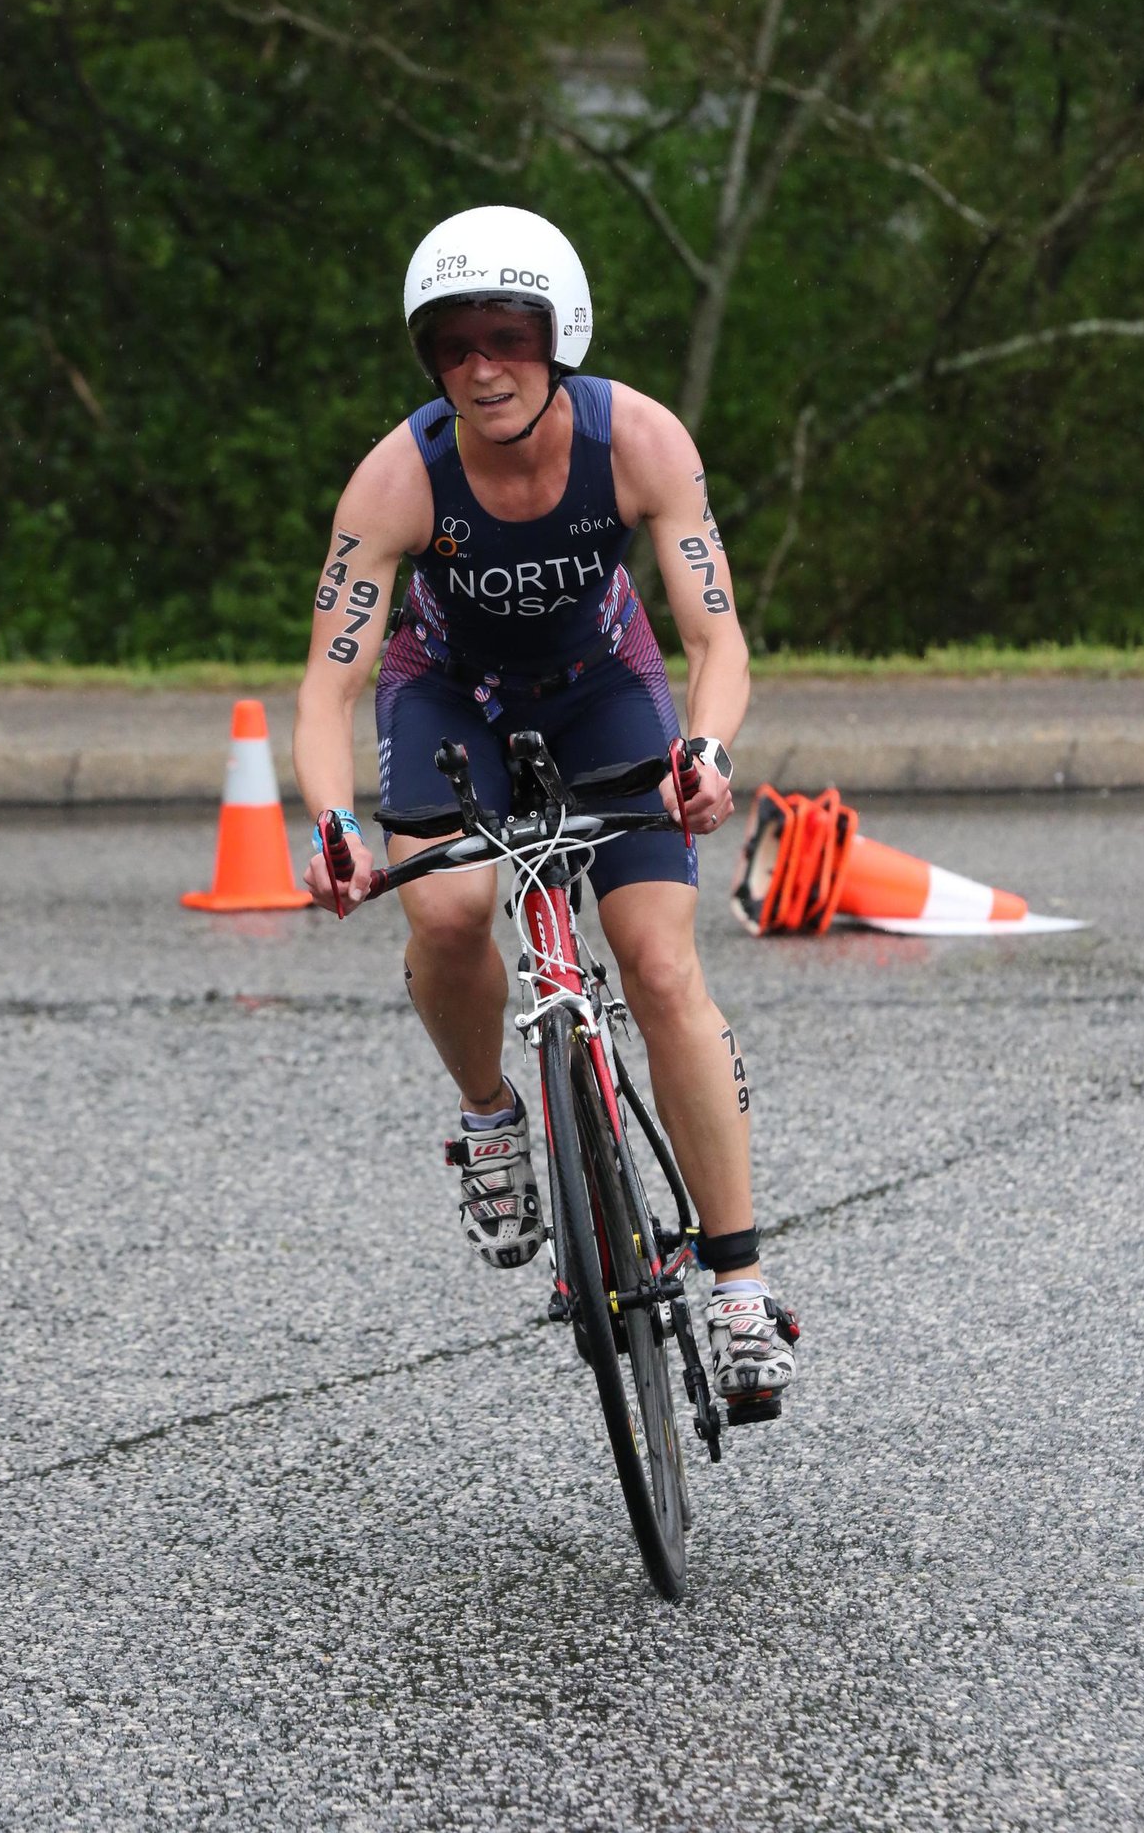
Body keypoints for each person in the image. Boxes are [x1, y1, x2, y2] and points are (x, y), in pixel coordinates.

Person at [293, 205, 796, 1412]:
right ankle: (488, 1117)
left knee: (662, 969)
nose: (481, 366)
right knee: (453, 909)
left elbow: (716, 638)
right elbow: (331, 684)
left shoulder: (640, 441)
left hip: (605, 691)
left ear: (556, 333)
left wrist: (708, 748)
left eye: (506, 335)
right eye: (451, 344)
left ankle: (736, 1286)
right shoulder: (398, 475)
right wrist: (329, 826)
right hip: (447, 694)